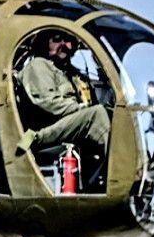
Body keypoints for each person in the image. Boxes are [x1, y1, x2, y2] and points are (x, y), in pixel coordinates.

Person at [15, 30, 109, 166]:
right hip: (34, 134)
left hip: (65, 128)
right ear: (44, 43)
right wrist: (81, 108)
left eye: (68, 40)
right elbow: (48, 102)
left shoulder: (73, 74)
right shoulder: (38, 65)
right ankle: (122, 171)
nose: (64, 45)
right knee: (97, 114)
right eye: (57, 39)